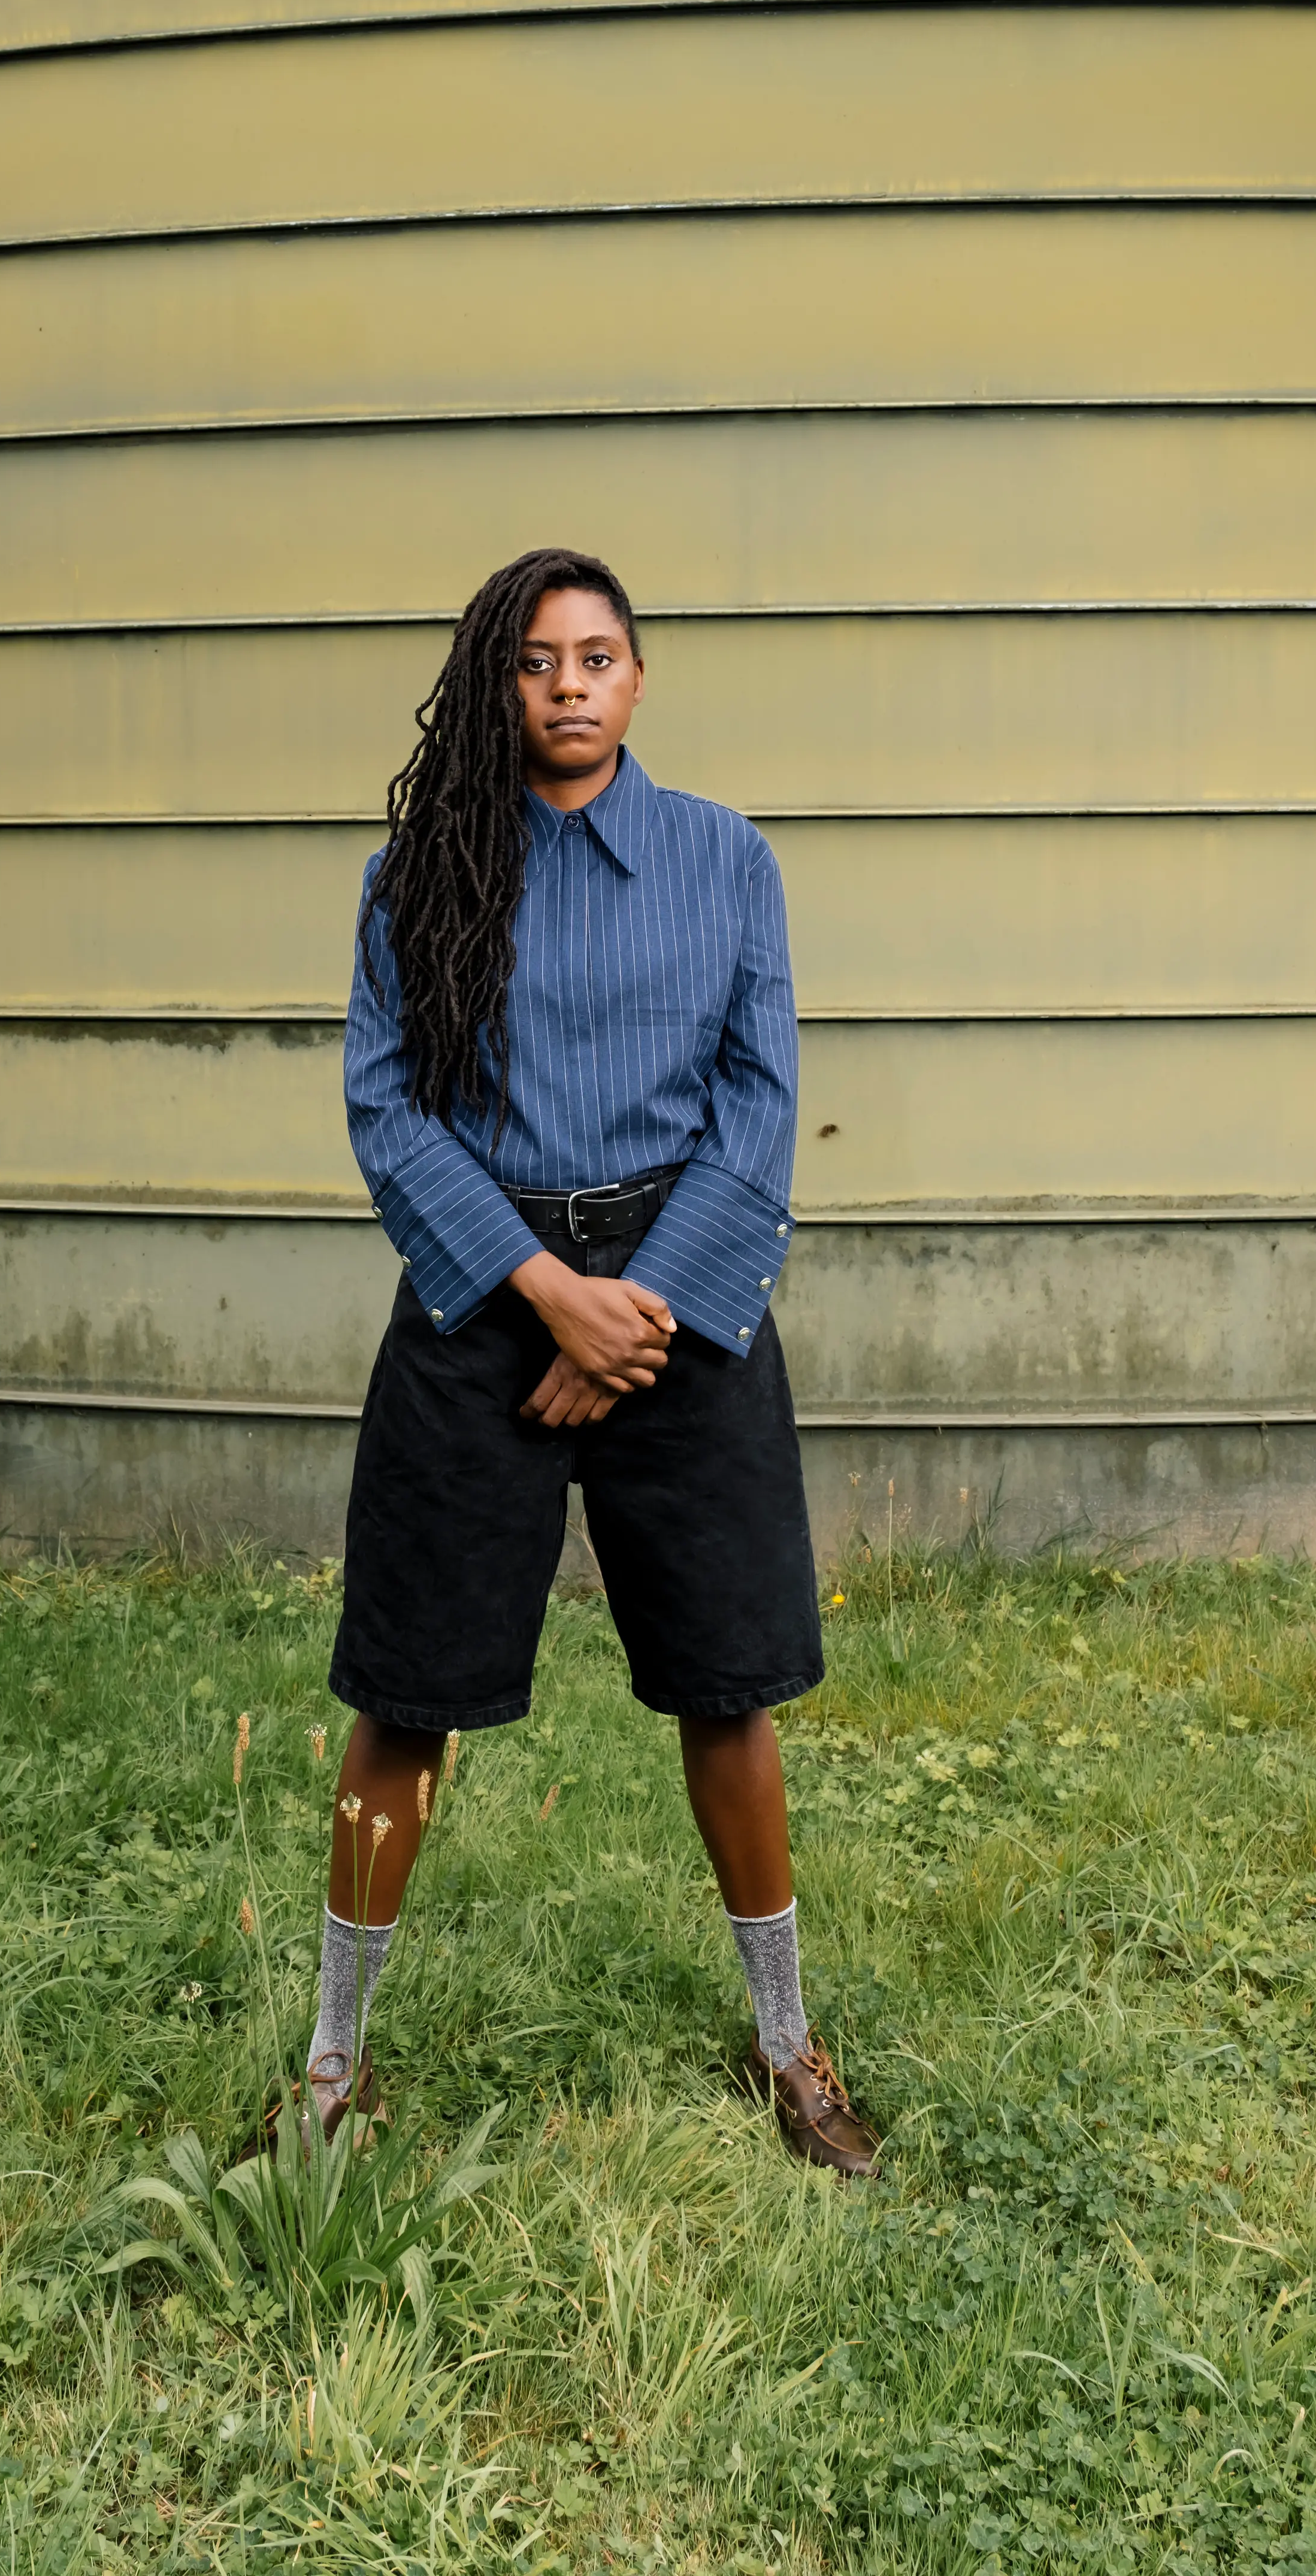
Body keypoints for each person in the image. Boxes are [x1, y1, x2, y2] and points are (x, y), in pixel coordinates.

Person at [299, 544, 879, 2177]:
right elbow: (389, 1112)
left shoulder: (725, 862)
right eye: (538, 659)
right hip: (486, 1301)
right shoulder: (419, 877)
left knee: (732, 1683)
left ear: (640, 678)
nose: (569, 685)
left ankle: (787, 2039)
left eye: (600, 657)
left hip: (680, 1313)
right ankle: (333, 2065)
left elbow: (759, 1114)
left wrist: (641, 1317)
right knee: (402, 1697)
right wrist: (548, 1296)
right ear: (500, 680)